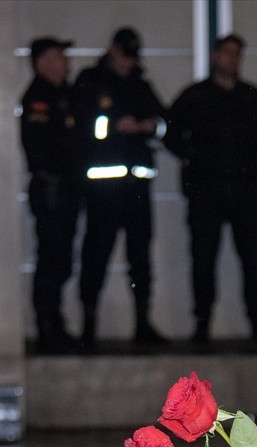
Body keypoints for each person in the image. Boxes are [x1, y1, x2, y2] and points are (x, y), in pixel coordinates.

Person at [164, 34, 257, 347]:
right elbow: (171, 135)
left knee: (252, 259)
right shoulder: (194, 97)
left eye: (237, 54)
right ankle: (202, 324)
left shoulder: (252, 98)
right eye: (227, 53)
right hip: (206, 190)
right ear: (216, 56)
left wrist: (253, 156)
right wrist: (196, 157)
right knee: (203, 259)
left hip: (244, 188)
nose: (232, 60)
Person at [73, 27, 167, 348]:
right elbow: (82, 123)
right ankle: (88, 326)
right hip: (103, 188)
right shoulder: (90, 80)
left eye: (132, 57)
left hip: (137, 186)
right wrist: (113, 126)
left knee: (140, 257)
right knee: (96, 254)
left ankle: (143, 324)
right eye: (124, 56)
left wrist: (151, 126)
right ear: (113, 50)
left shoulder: (140, 84)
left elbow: (163, 120)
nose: (128, 63)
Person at [19, 37, 82, 354]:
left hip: (65, 189)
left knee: (60, 260)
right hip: (52, 189)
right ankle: (47, 328)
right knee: (51, 259)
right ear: (43, 62)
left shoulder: (62, 96)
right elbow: (43, 149)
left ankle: (55, 324)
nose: (67, 63)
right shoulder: (40, 99)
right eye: (59, 56)